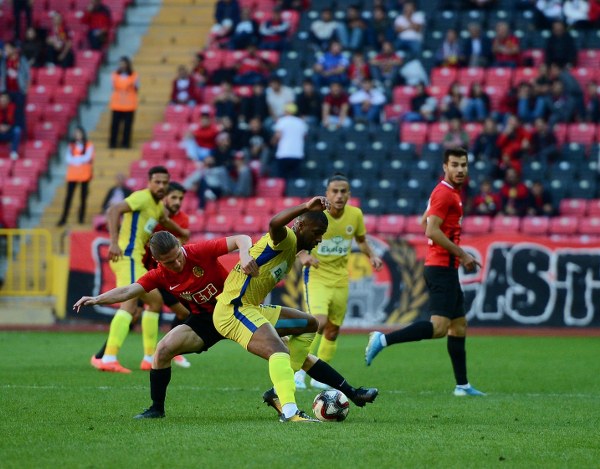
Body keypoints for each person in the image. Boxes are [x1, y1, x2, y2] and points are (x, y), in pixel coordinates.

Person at [75, 231, 378, 419]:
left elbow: (241, 239)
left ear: (181, 247)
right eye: (167, 262)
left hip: (241, 309)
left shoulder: (198, 251)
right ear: (157, 262)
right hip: (206, 322)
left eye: (177, 257)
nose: (176, 264)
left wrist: (245, 256)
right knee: (163, 350)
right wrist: (96, 299)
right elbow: (130, 290)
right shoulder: (160, 275)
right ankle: (156, 408)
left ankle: (350, 391)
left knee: (293, 348)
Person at [213, 196, 378, 423]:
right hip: (234, 309)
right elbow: (274, 224)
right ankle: (289, 412)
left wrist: (350, 393)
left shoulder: (294, 250)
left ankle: (289, 391)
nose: (320, 239)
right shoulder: (287, 238)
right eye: (317, 232)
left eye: (323, 233)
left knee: (310, 325)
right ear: (300, 226)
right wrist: (305, 206)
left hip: (253, 309)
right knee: (278, 351)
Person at [365, 147, 486, 398]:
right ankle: (382, 339)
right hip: (440, 268)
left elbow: (425, 222)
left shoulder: (447, 192)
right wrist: (462, 255)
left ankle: (462, 386)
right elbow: (431, 231)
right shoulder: (445, 194)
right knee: (440, 327)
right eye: (455, 165)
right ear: (445, 166)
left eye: (464, 164)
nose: (460, 169)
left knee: (458, 325)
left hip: (446, 268)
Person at [95, 166, 189, 373]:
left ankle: (149, 358)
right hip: (127, 257)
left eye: (165, 183)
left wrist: (183, 231)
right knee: (129, 305)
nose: (161, 186)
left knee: (155, 302)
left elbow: (165, 221)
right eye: (157, 182)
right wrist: (113, 242)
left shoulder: (156, 206)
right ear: (149, 182)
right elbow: (113, 210)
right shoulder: (142, 197)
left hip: (135, 261)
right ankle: (108, 358)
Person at [294, 174, 382, 390]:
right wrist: (304, 256)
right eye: (335, 191)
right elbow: (296, 237)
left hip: (341, 279)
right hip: (317, 276)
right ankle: (297, 370)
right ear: (327, 193)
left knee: (333, 330)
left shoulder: (355, 215)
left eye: (343, 191)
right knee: (318, 322)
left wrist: (371, 255)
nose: (339, 195)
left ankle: (318, 377)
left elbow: (361, 240)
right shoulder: (316, 215)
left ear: (349, 194)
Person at [57, 126, 94, 227]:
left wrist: (76, 160)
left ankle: (81, 218)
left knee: (83, 197)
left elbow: (87, 158)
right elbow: (68, 159)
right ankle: (64, 217)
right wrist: (79, 160)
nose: (77, 135)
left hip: (84, 175)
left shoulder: (88, 145)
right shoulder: (71, 145)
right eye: (76, 133)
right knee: (68, 197)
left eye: (79, 133)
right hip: (72, 175)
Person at [272, 102, 308, 180]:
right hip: (297, 154)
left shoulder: (282, 121)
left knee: (282, 179)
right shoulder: (301, 122)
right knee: (294, 180)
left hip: (283, 153)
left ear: (287, 111)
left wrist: (272, 143)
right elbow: (304, 137)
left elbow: (278, 136)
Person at [109, 56, 139, 149]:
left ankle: (125, 143)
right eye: (121, 64)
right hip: (117, 104)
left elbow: (136, 88)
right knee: (115, 126)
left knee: (127, 127)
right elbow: (113, 86)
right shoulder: (114, 74)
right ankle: (113, 143)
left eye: (124, 64)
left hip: (129, 104)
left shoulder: (134, 75)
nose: (122, 66)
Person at [0, 92, 22, 161]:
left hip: (9, 131)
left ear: (8, 100)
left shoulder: (14, 108)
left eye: (5, 100)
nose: (3, 101)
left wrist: (9, 127)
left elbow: (18, 122)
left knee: (17, 130)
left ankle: (13, 152)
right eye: (1, 99)